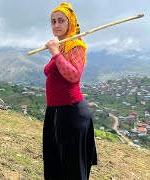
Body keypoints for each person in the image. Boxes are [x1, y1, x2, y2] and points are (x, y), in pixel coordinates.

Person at [43, 2, 97, 180]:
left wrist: (55, 53)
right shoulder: (62, 45)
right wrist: (57, 50)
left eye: (61, 21)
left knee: (73, 169)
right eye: (53, 22)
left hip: (72, 113)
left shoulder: (76, 45)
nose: (56, 25)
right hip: (55, 112)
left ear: (70, 22)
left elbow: (74, 76)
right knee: (55, 164)